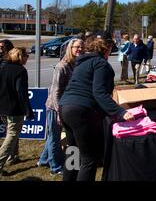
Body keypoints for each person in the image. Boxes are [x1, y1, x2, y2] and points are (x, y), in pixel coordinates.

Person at [59, 35, 134, 181]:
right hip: (81, 110)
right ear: (106, 49)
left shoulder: (81, 63)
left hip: (65, 107)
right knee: (89, 159)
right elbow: (99, 92)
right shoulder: (100, 64)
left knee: (73, 151)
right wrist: (120, 112)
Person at [37, 38, 85, 175]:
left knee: (54, 135)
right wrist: (58, 112)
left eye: (82, 47)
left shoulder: (75, 64)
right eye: (77, 47)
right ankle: (55, 167)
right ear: (70, 48)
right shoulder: (61, 66)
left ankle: (43, 159)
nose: (80, 49)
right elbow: (56, 91)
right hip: (55, 106)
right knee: (54, 137)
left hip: (65, 105)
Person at [0, 47, 34, 176]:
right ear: (20, 56)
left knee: (11, 134)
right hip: (14, 108)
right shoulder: (20, 70)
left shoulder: (3, 68)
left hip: (2, 108)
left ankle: (12, 157)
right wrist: (28, 110)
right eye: (26, 55)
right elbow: (21, 92)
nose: (27, 58)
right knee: (12, 135)